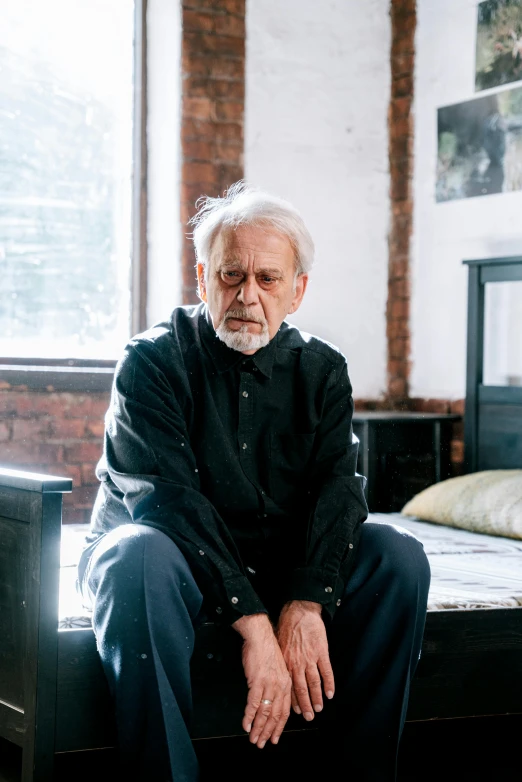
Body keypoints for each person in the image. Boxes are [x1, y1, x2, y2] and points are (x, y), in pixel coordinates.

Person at [78, 182, 430, 782]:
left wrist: (305, 602)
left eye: (267, 280)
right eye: (231, 275)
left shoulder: (322, 370)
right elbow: (168, 503)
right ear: (202, 277)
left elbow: (339, 491)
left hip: (276, 566)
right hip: (171, 561)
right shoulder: (151, 361)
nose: (247, 296)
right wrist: (254, 625)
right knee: (132, 558)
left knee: (398, 556)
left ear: (297, 290)